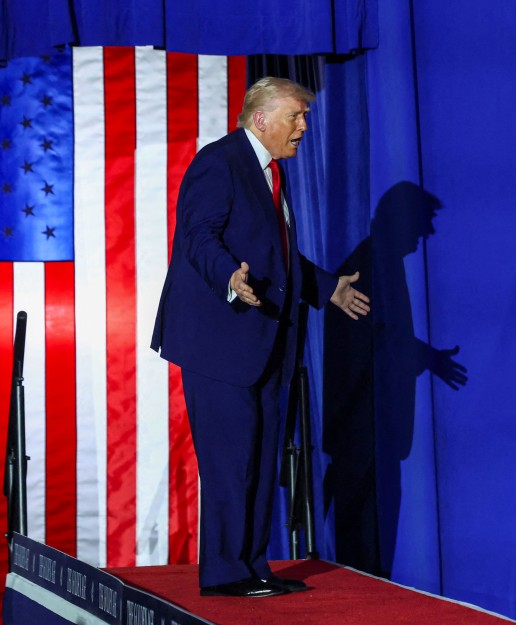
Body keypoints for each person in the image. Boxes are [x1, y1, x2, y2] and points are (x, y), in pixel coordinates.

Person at [151, 76, 370, 597]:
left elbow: (279, 257)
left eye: (304, 117)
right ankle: (225, 572)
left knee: (262, 454)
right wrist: (229, 277)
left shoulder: (271, 173)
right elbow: (198, 237)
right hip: (219, 340)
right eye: (295, 116)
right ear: (260, 119)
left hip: (266, 338)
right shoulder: (218, 163)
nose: (304, 127)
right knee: (232, 459)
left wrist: (326, 288)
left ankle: (251, 566)